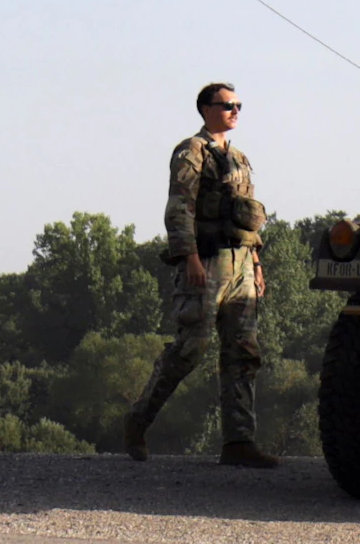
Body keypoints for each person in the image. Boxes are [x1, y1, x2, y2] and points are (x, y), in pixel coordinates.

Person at [124, 82, 277, 467]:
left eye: (239, 104)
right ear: (206, 109)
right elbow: (179, 208)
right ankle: (138, 421)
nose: (235, 111)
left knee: (243, 352)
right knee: (190, 348)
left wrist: (256, 265)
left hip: (240, 262)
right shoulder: (191, 152)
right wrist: (188, 257)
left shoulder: (239, 157)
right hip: (206, 261)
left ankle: (239, 441)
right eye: (227, 105)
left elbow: (247, 217)